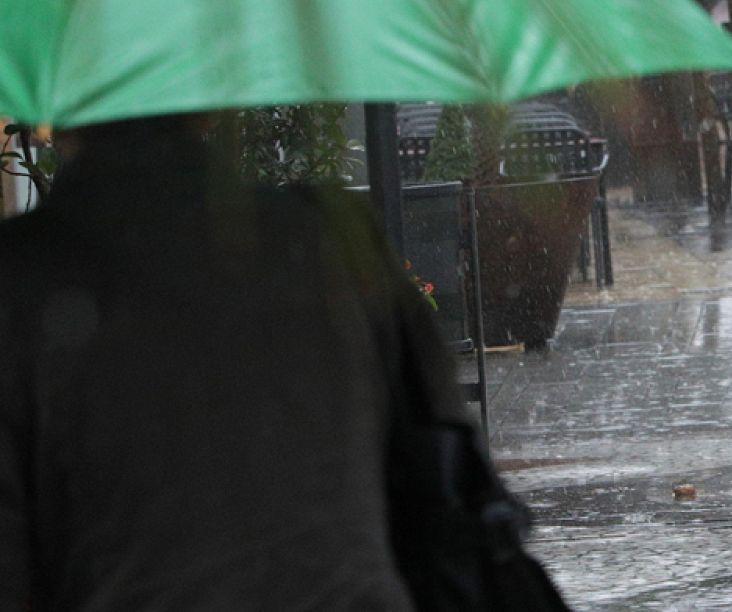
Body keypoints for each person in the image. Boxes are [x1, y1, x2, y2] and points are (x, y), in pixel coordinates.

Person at [0, 114, 564, 610]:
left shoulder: (21, 282)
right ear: (211, 108)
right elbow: (447, 473)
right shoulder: (328, 239)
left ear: (57, 112)